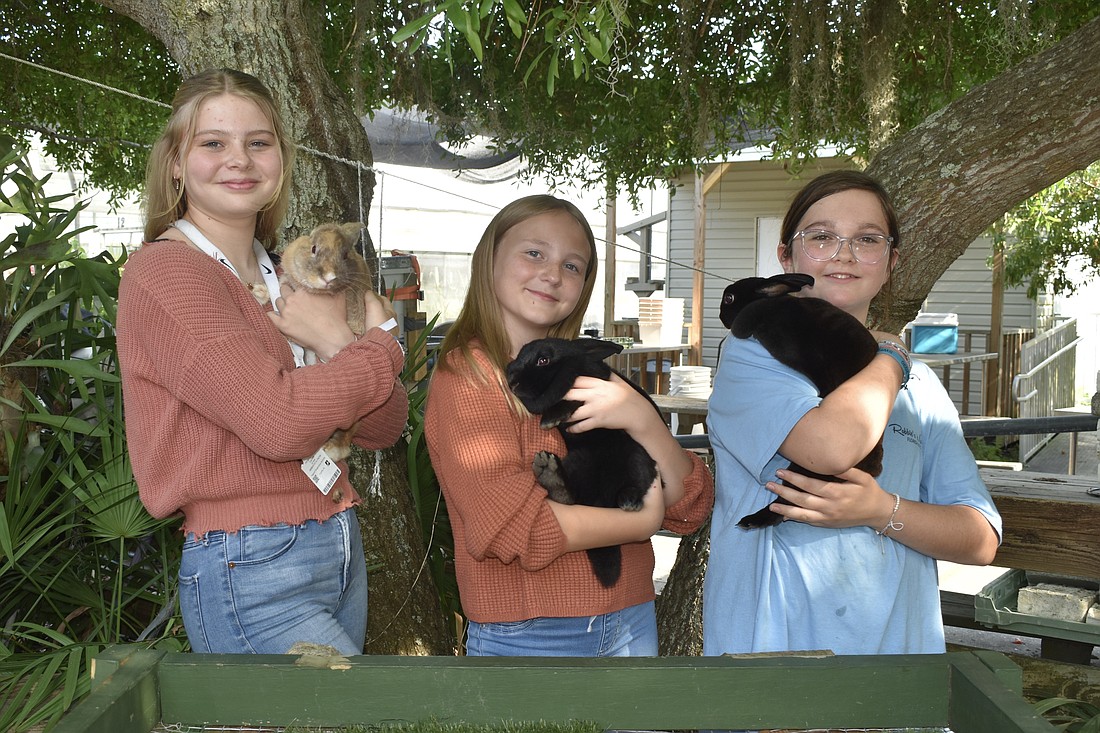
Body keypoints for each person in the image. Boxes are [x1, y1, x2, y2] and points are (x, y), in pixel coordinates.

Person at [117, 68, 407, 656]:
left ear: (281, 157)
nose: (239, 159)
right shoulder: (166, 273)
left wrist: (335, 344)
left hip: (336, 541)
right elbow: (279, 424)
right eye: (212, 143)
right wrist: (378, 346)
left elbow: (384, 424)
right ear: (175, 162)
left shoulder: (286, 275)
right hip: (250, 560)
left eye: (259, 142)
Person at [703, 170, 1002, 656]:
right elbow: (831, 447)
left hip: (897, 664)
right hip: (770, 661)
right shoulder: (751, 356)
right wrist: (892, 357)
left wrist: (881, 511)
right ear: (786, 258)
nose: (843, 253)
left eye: (867, 239)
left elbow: (980, 538)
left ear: (890, 262)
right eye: (821, 237)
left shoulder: (920, 386)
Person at [425, 194, 714, 657]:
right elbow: (512, 528)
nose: (553, 274)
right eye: (534, 253)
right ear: (489, 257)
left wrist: (644, 422)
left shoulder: (591, 375)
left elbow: (691, 506)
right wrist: (641, 520)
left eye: (573, 265)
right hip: (530, 632)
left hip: (632, 619)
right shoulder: (469, 378)